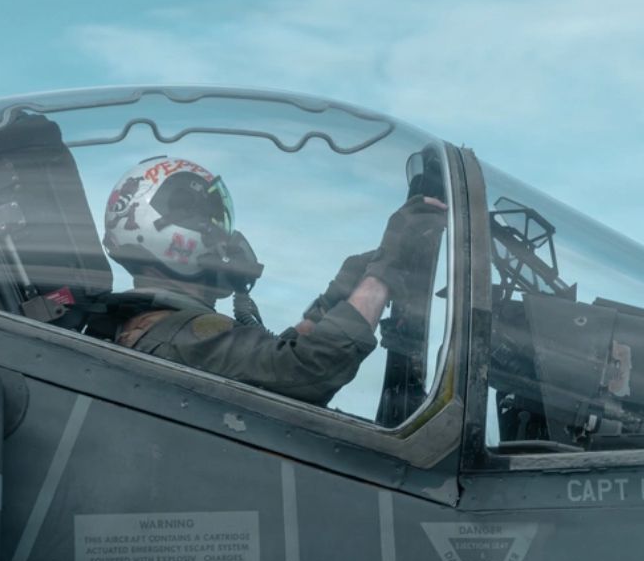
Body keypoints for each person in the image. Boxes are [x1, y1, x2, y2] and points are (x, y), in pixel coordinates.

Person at [100, 155, 446, 406]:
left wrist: (335, 299)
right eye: (208, 220)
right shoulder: (178, 336)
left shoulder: (159, 328)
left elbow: (269, 365)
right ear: (155, 229)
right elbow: (307, 370)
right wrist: (381, 275)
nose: (226, 237)